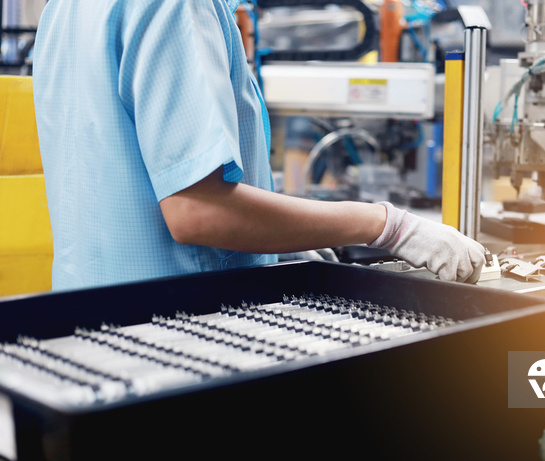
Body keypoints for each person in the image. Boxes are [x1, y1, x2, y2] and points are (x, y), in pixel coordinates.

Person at [32, 0, 486, 292]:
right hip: (177, 334)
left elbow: (116, 178)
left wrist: (277, 246)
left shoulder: (64, 7)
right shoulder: (179, 6)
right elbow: (197, 211)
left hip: (85, 325)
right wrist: (387, 225)